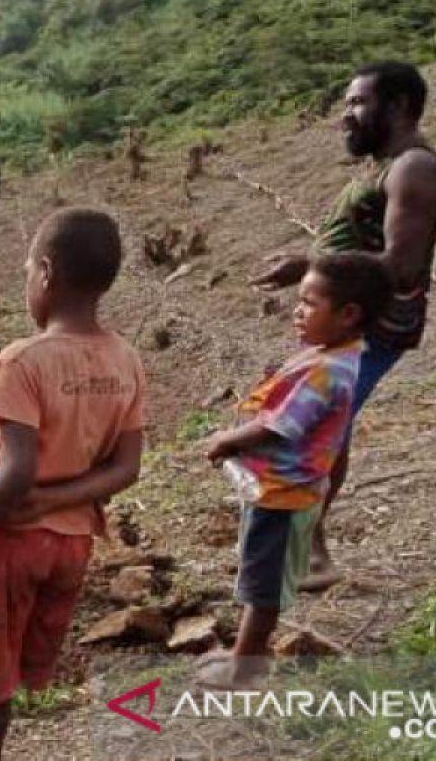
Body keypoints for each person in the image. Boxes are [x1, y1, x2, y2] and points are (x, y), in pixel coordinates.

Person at [0, 208, 144, 761]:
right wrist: (58, 499)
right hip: (71, 546)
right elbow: (125, 469)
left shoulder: (22, 361)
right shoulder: (125, 360)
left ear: (44, 273)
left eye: (25, 272)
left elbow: (15, 471)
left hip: (6, 543)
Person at [252, 61, 436, 590]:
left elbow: (400, 264)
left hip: (372, 323)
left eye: (358, 103)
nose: (347, 116)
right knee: (331, 421)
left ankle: (310, 552)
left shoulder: (414, 168)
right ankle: (306, 547)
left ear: (399, 105)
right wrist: (311, 268)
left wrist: (314, 269)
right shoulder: (387, 165)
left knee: (316, 424)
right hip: (352, 319)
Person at [201, 253, 392, 688]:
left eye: (309, 303)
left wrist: (226, 440)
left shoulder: (327, 371)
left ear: (348, 315)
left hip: (284, 496)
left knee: (263, 587)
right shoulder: (335, 353)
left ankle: (244, 666)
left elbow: (280, 424)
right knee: (259, 573)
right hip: (279, 490)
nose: (297, 311)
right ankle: (245, 654)